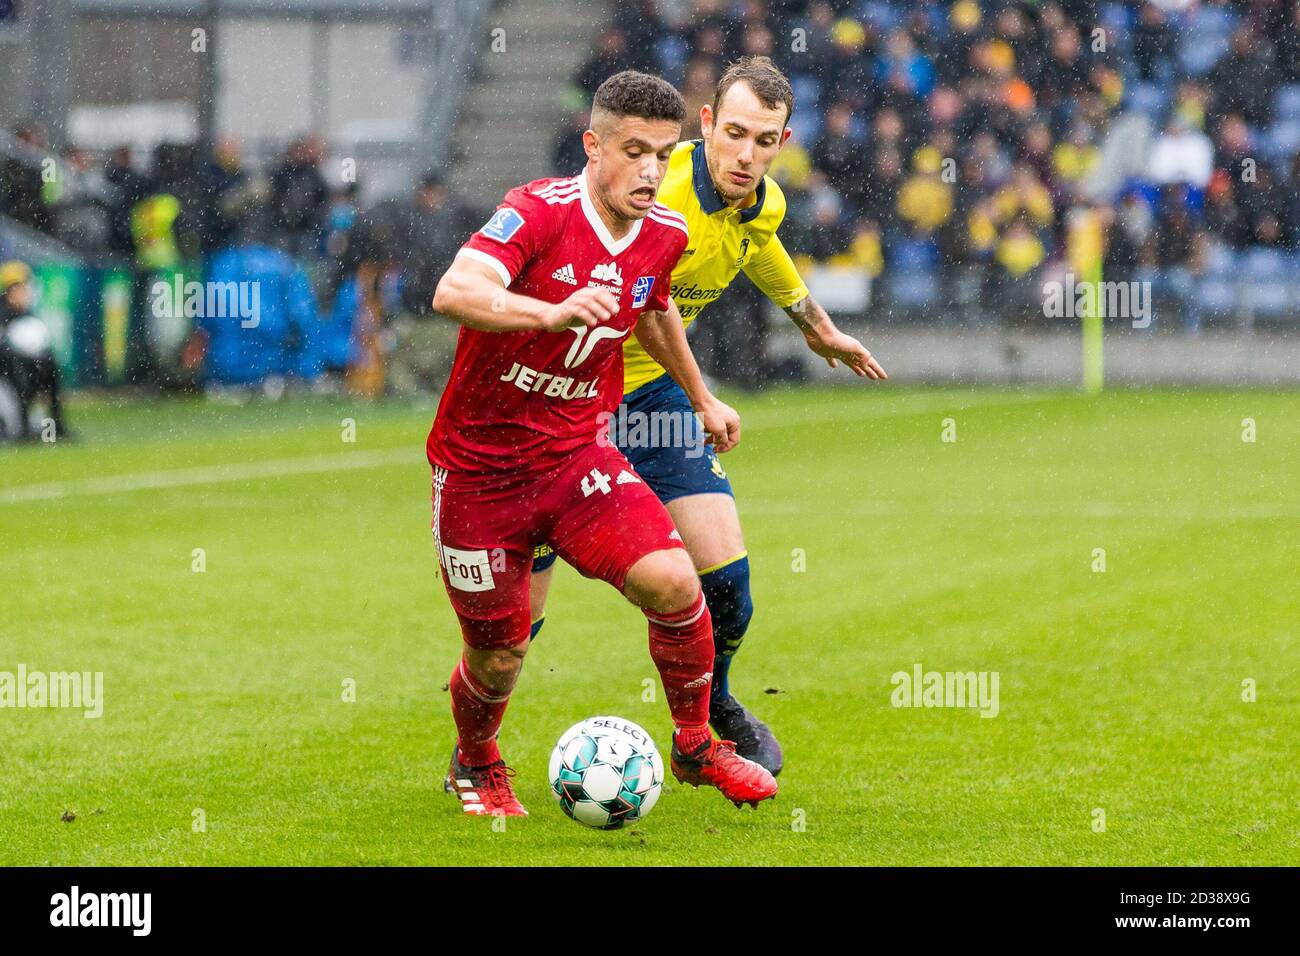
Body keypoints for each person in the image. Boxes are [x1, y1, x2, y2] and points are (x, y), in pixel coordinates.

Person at [428, 70, 778, 818]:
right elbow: (454, 291)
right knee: (500, 653)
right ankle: (478, 760)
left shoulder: (666, 234)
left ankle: (692, 744)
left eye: (661, 153)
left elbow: (651, 309)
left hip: (576, 457)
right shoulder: (534, 212)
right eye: (632, 152)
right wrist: (546, 314)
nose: (651, 171)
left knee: (678, 585)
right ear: (593, 147)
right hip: (480, 472)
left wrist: (699, 395)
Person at [529, 56, 887, 776]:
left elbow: (762, 247)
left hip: (653, 398)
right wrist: (704, 396)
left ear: (782, 142)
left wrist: (812, 324)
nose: (746, 154)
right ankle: (474, 749)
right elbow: (645, 304)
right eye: (735, 134)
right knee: (513, 622)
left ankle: (708, 720)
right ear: (705, 126)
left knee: (727, 581)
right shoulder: (653, 191)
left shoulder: (764, 202)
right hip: (563, 396)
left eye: (764, 140)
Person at [0, 261, 67, 440]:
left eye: (23, 287)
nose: (22, 293)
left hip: (22, 382)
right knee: (12, 427)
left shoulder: (28, 315)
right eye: (16, 288)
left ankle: (57, 428)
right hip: (5, 385)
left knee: (41, 425)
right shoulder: (4, 317)